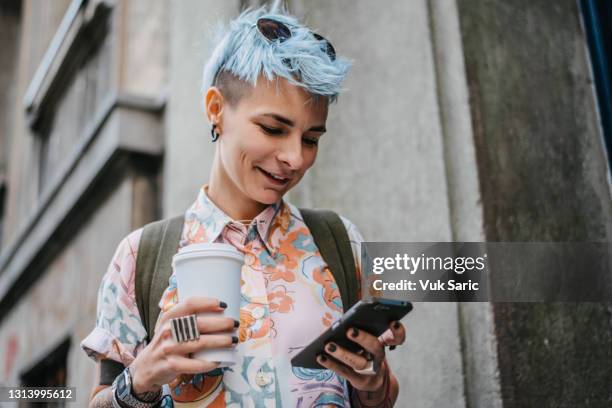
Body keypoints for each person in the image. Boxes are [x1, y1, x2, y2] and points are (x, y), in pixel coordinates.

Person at [81, 6, 406, 407]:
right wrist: (144, 376)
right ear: (216, 109)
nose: (295, 158)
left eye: (311, 138)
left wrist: (373, 385)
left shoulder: (341, 242)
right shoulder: (140, 256)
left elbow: (379, 396)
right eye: (273, 128)